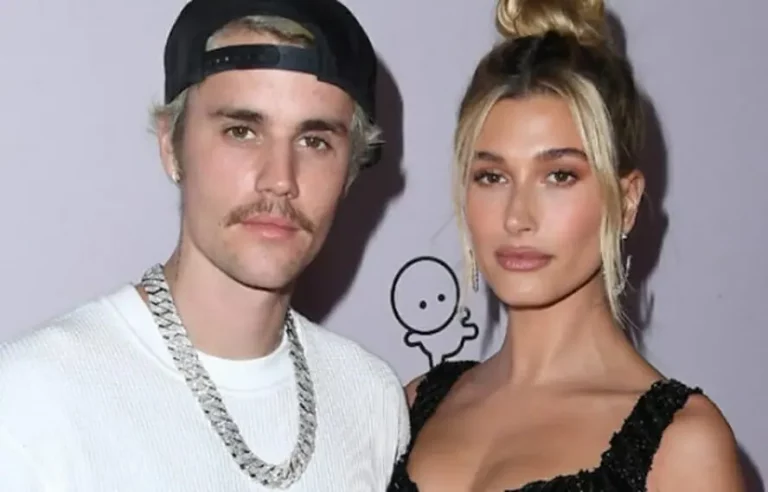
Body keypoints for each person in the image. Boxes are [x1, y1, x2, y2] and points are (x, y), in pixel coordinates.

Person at [0, 0, 409, 490]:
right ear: (170, 147)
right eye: (242, 131)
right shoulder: (32, 403)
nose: (280, 179)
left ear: (350, 172)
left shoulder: (372, 399)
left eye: (314, 141)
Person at [388, 0, 745, 490]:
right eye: (492, 176)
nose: (517, 216)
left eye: (559, 175)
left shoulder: (682, 447)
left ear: (627, 199)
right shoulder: (415, 405)